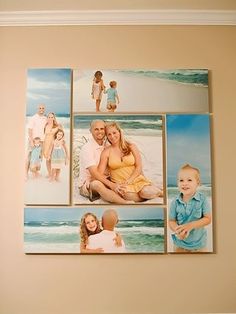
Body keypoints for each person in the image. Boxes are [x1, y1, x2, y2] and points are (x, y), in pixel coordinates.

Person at [98, 121, 163, 202]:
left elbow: (139, 166)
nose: (112, 136)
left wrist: (130, 180)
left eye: (114, 132)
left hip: (136, 179)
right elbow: (99, 174)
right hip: (121, 185)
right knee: (129, 196)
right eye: (109, 134)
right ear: (106, 136)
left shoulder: (131, 146)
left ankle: (161, 192)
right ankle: (150, 192)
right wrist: (112, 185)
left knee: (146, 193)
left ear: (120, 132)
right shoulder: (106, 152)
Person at [78, 120, 133, 204]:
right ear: (90, 131)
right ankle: (124, 203)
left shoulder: (107, 145)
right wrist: (112, 185)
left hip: (107, 179)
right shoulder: (87, 148)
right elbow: (94, 174)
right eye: (96, 129)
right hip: (89, 183)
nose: (100, 131)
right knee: (97, 184)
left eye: (102, 129)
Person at [168, 164, 212, 252]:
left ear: (198, 183)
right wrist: (178, 230)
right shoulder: (175, 202)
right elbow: (171, 221)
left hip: (199, 244)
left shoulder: (202, 199)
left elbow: (208, 219)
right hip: (180, 244)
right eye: (181, 180)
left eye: (189, 180)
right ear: (178, 183)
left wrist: (190, 226)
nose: (185, 183)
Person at [25, 104, 47, 179]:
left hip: (41, 142)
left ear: (44, 109)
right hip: (33, 141)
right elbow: (29, 130)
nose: (41, 109)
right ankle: (26, 173)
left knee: (38, 157)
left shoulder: (45, 118)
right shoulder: (33, 118)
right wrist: (31, 140)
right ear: (37, 109)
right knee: (29, 156)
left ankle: (36, 172)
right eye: (40, 108)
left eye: (43, 108)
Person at [42, 112, 61, 178]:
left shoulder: (57, 126)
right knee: (47, 159)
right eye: (49, 117)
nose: (50, 118)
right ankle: (49, 173)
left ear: (54, 118)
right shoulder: (45, 125)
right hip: (46, 144)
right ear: (47, 118)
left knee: (54, 160)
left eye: (52, 117)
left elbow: (62, 135)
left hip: (53, 144)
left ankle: (55, 174)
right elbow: (44, 136)